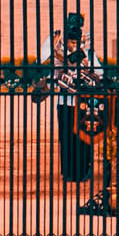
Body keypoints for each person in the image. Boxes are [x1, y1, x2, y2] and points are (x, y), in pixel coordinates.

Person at [43, 11, 107, 203]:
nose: (72, 44)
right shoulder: (58, 54)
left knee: (84, 135)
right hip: (65, 101)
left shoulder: (88, 54)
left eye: (75, 42)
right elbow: (51, 72)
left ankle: (83, 170)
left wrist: (86, 65)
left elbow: (100, 74)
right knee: (66, 136)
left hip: (83, 102)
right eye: (70, 42)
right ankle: (68, 171)